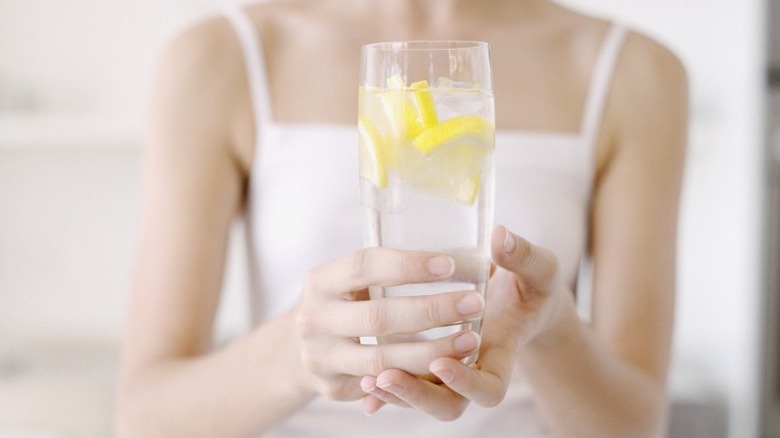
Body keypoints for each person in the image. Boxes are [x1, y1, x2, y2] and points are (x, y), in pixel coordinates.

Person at [115, 0, 688, 436]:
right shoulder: (221, 55)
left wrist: (554, 324)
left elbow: (635, 425)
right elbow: (144, 416)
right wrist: (295, 356)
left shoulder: (635, 71)